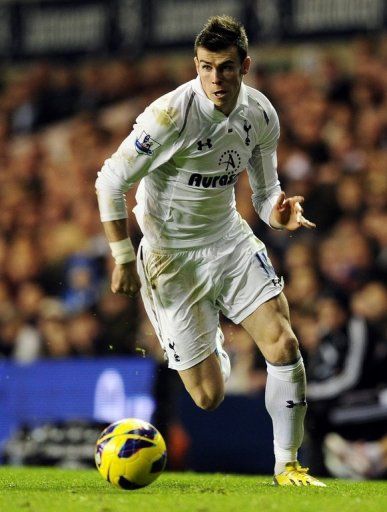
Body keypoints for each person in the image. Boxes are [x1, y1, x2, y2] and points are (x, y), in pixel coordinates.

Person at [95, 15, 325, 487]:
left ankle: (288, 464)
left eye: (225, 67)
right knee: (207, 397)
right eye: (205, 67)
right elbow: (111, 180)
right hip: (169, 256)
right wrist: (121, 254)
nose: (215, 78)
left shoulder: (260, 114)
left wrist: (277, 214)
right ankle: (209, 342)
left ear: (245, 65)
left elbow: (264, 193)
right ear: (195, 67)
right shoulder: (169, 115)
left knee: (283, 342)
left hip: (228, 240)